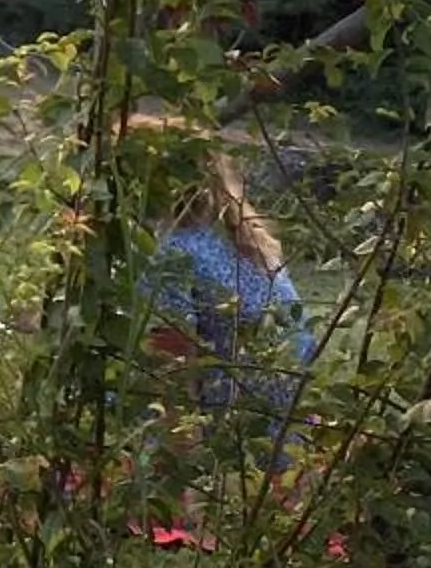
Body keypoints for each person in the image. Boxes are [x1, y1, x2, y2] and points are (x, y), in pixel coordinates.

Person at [134, 119, 314, 410]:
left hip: (234, 415)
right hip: (287, 414)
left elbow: (171, 372)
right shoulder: (244, 236)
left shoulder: (173, 253)